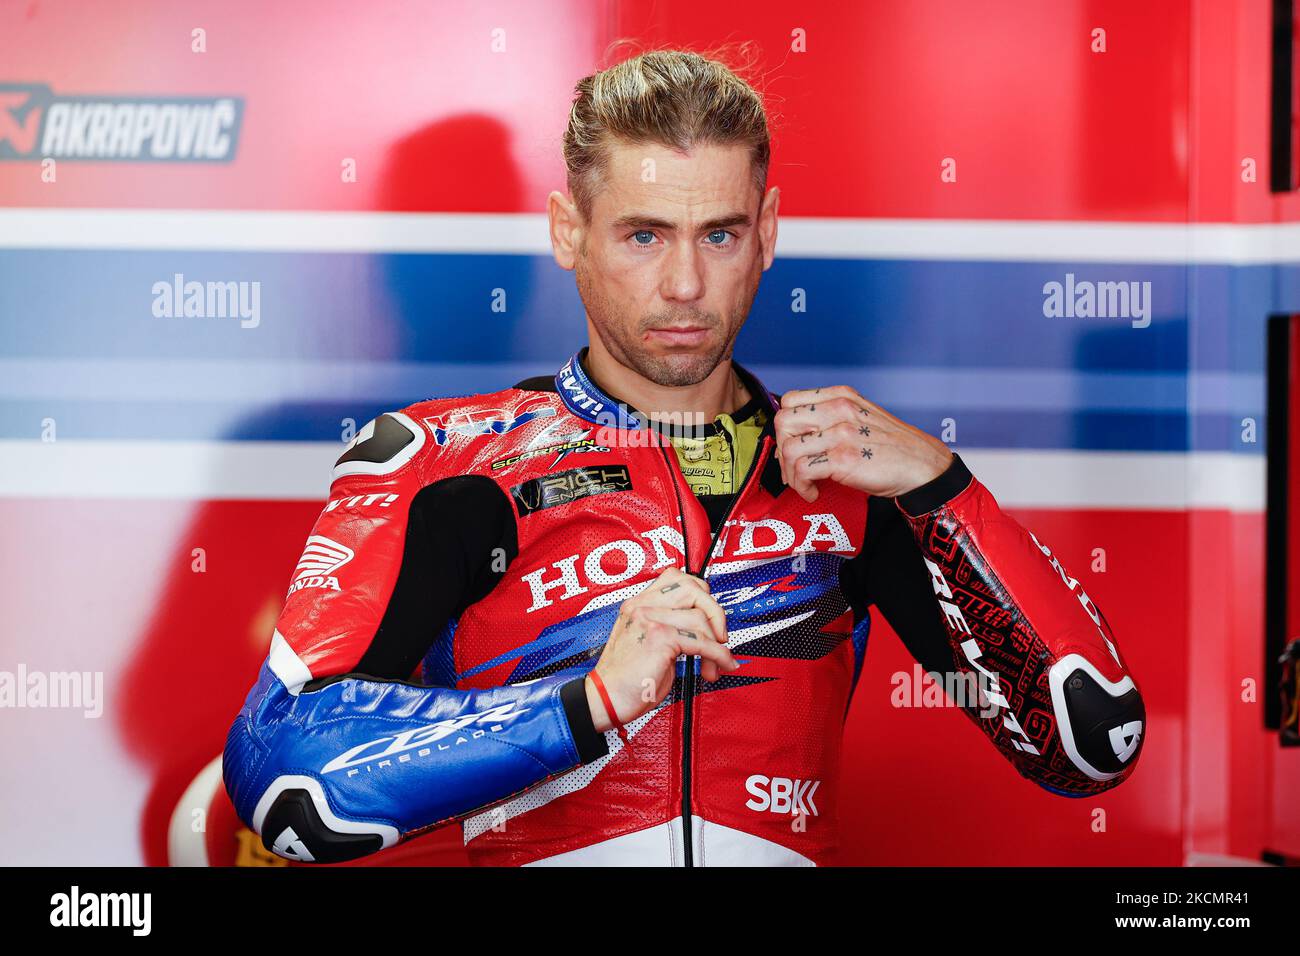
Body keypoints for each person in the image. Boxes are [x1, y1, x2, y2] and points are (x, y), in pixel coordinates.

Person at [222, 49, 1145, 867]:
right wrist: (587, 704)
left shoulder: (852, 477)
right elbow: (284, 777)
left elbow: (1087, 746)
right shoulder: (449, 462)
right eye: (643, 235)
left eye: (720, 234)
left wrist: (939, 488)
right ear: (568, 231)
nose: (685, 286)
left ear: (768, 232)